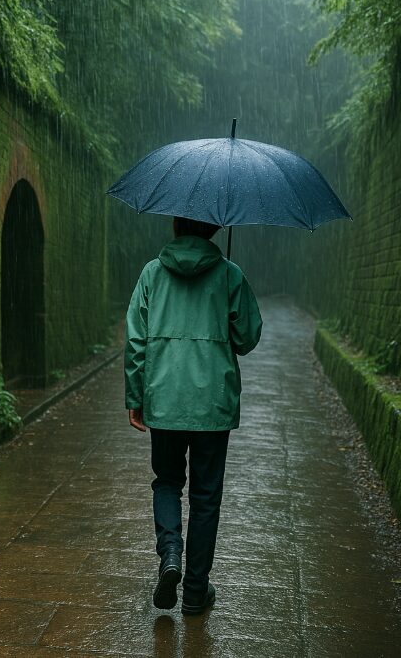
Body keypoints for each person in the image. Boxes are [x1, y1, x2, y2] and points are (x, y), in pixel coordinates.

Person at [124, 216, 263, 615]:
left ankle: (170, 555)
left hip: (164, 401)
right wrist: (230, 305)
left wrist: (136, 396)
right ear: (216, 228)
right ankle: (196, 592)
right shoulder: (229, 275)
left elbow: (136, 339)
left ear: (175, 224)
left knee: (167, 482)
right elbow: (248, 339)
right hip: (212, 407)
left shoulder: (152, 273)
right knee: (206, 498)